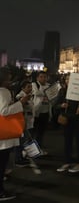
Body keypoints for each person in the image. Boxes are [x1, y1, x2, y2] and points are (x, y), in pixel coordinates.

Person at [0, 67, 31, 201]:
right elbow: (4, 111)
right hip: (3, 135)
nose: (11, 80)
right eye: (9, 77)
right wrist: (20, 103)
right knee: (1, 163)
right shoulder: (3, 91)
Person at [55, 73, 79, 173]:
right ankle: (67, 161)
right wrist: (61, 105)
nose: (68, 81)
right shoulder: (62, 91)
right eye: (67, 79)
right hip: (67, 119)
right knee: (67, 141)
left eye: (70, 79)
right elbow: (56, 104)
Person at [14, 80, 35, 167]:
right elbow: (20, 102)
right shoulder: (20, 96)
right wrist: (24, 100)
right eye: (28, 87)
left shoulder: (28, 96)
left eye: (31, 86)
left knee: (24, 140)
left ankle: (22, 157)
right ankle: (18, 160)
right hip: (22, 122)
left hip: (28, 121)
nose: (30, 88)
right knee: (20, 141)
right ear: (23, 88)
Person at [31, 71, 51, 152]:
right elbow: (36, 93)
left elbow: (53, 95)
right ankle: (31, 151)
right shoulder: (34, 84)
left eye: (45, 77)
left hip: (45, 112)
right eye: (41, 77)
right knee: (33, 132)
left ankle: (38, 149)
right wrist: (47, 92)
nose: (43, 78)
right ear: (37, 78)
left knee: (41, 132)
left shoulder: (49, 85)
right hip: (36, 112)